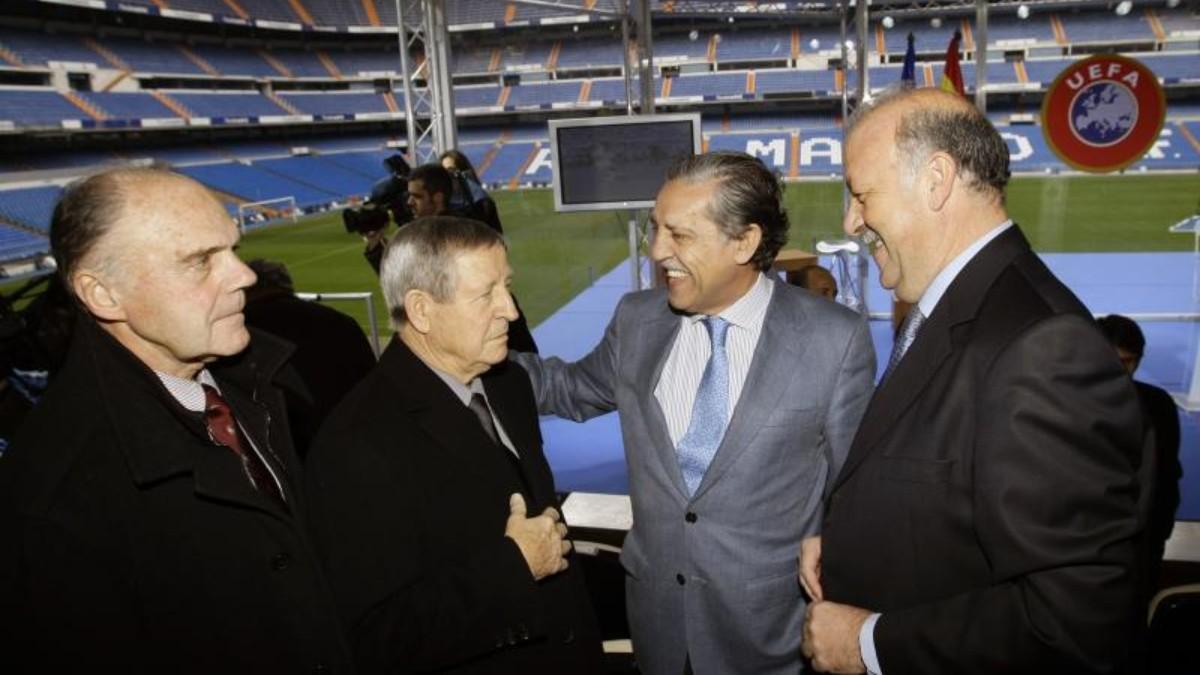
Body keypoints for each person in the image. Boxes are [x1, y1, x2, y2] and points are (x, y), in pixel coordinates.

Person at [801, 87, 1144, 674]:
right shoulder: (962, 308)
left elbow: (1075, 623)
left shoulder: (1042, 347)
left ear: (936, 179)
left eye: (861, 195)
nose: (851, 222)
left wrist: (867, 644)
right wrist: (853, 539)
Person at [513, 151, 876, 674]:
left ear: (745, 242)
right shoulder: (637, 320)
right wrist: (469, 357)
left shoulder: (833, 339)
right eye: (656, 229)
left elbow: (853, 491)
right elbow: (570, 388)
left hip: (772, 642)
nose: (658, 250)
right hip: (659, 629)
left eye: (679, 235)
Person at [0, 168, 352, 672]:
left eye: (232, 248)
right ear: (103, 295)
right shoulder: (52, 498)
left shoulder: (260, 385)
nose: (244, 275)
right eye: (200, 261)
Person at [305, 216, 603, 674]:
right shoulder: (356, 445)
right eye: (487, 294)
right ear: (422, 310)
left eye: (507, 286)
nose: (511, 310)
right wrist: (512, 569)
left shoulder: (509, 385)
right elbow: (374, 640)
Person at [364, 162, 539, 355]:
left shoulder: (461, 240)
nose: (409, 203)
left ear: (437, 199)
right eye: (409, 196)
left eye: (417, 196)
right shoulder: (445, 232)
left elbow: (407, 286)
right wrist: (376, 244)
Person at [243, 258, 377, 458]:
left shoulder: (242, 332)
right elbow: (372, 383)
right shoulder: (340, 322)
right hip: (355, 442)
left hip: (289, 454)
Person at [1098, 314, 1182, 601]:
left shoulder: (1158, 405)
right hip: (1085, 548)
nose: (1121, 372)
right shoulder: (1067, 404)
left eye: (1128, 362)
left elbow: (1167, 474)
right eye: (1114, 361)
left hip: (1141, 546)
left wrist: (1157, 536)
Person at [441, 148, 504, 233]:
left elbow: (496, 236)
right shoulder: (438, 204)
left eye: (451, 170)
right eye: (443, 171)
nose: (448, 175)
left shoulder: (481, 202)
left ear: (463, 172)